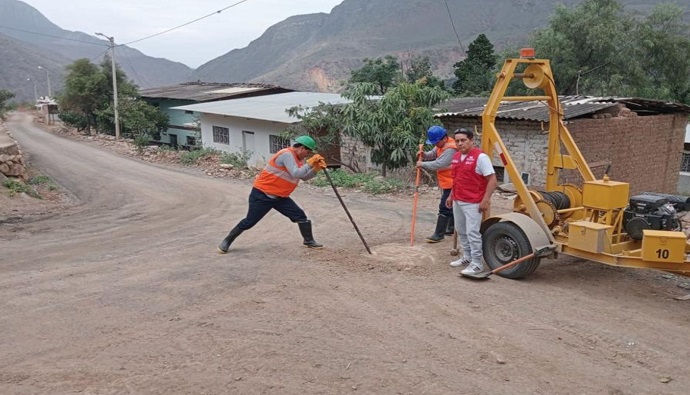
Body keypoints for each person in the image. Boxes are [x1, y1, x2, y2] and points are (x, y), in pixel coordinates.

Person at [217, 135, 327, 253]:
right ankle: (227, 241)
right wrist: (310, 164)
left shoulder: (299, 161)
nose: (307, 155)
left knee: (300, 216)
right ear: (301, 148)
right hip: (262, 195)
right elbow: (296, 173)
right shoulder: (286, 154)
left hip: (280, 197)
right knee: (249, 222)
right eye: (308, 152)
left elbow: (303, 177)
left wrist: (316, 169)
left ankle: (308, 241)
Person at [446, 128, 497, 275]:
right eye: (457, 141)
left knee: (472, 232)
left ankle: (477, 263)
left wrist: (486, 200)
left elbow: (492, 180)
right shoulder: (456, 157)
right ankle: (467, 257)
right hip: (458, 199)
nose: (460, 143)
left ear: (471, 140)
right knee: (461, 230)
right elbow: (456, 179)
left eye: (463, 140)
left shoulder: (480, 157)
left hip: (473, 202)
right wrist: (451, 195)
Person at [417, 125, 458, 243]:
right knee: (451, 206)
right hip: (447, 182)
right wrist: (424, 155)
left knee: (444, 207)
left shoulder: (450, 149)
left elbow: (439, 164)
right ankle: (450, 228)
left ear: (444, 138)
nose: (435, 145)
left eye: (436, 142)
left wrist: (422, 164)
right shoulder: (441, 145)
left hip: (453, 182)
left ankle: (439, 234)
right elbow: (433, 154)